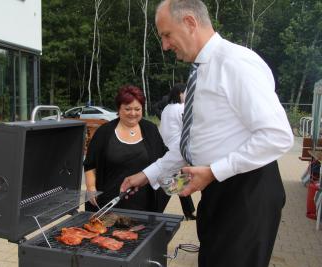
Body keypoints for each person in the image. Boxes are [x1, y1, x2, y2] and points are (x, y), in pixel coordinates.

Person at [121, 1, 294, 267]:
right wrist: (147, 175)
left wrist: (214, 171)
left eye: (167, 35)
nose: (165, 45)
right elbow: (190, 144)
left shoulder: (235, 63)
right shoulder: (200, 72)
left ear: (190, 22)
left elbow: (277, 135)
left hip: (247, 194)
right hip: (219, 190)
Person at [84, 85, 169, 213]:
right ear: (119, 109)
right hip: (110, 203)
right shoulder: (104, 132)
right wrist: (91, 188)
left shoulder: (150, 129)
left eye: (137, 109)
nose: (133, 113)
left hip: (146, 204)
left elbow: (164, 159)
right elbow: (90, 164)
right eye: (127, 109)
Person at [160, 83, 196, 220]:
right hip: (177, 149)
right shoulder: (181, 108)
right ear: (179, 93)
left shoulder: (166, 108)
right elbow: (189, 128)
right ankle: (156, 209)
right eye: (185, 93)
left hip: (167, 147)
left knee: (179, 181)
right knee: (170, 183)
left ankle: (188, 212)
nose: (187, 95)